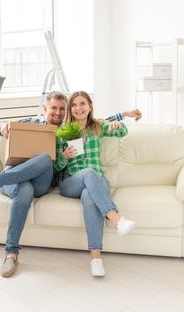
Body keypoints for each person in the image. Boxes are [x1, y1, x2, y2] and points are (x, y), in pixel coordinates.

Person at [0, 90, 141, 278]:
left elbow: (97, 122)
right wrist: (4, 126)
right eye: (54, 108)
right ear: (45, 108)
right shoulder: (37, 124)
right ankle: (11, 253)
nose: (58, 112)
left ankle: (96, 257)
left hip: (44, 181)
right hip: (16, 177)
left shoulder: (67, 130)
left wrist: (122, 117)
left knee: (52, 163)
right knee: (25, 189)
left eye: (62, 109)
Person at [54, 91, 136, 277]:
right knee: (88, 173)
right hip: (71, 183)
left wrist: (118, 124)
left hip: (97, 183)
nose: (78, 108)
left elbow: (122, 131)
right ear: (70, 109)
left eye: (82, 103)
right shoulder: (64, 132)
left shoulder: (97, 127)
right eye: (74, 105)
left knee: (89, 196)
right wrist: (64, 157)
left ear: (90, 106)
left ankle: (96, 259)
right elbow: (57, 165)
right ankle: (116, 220)